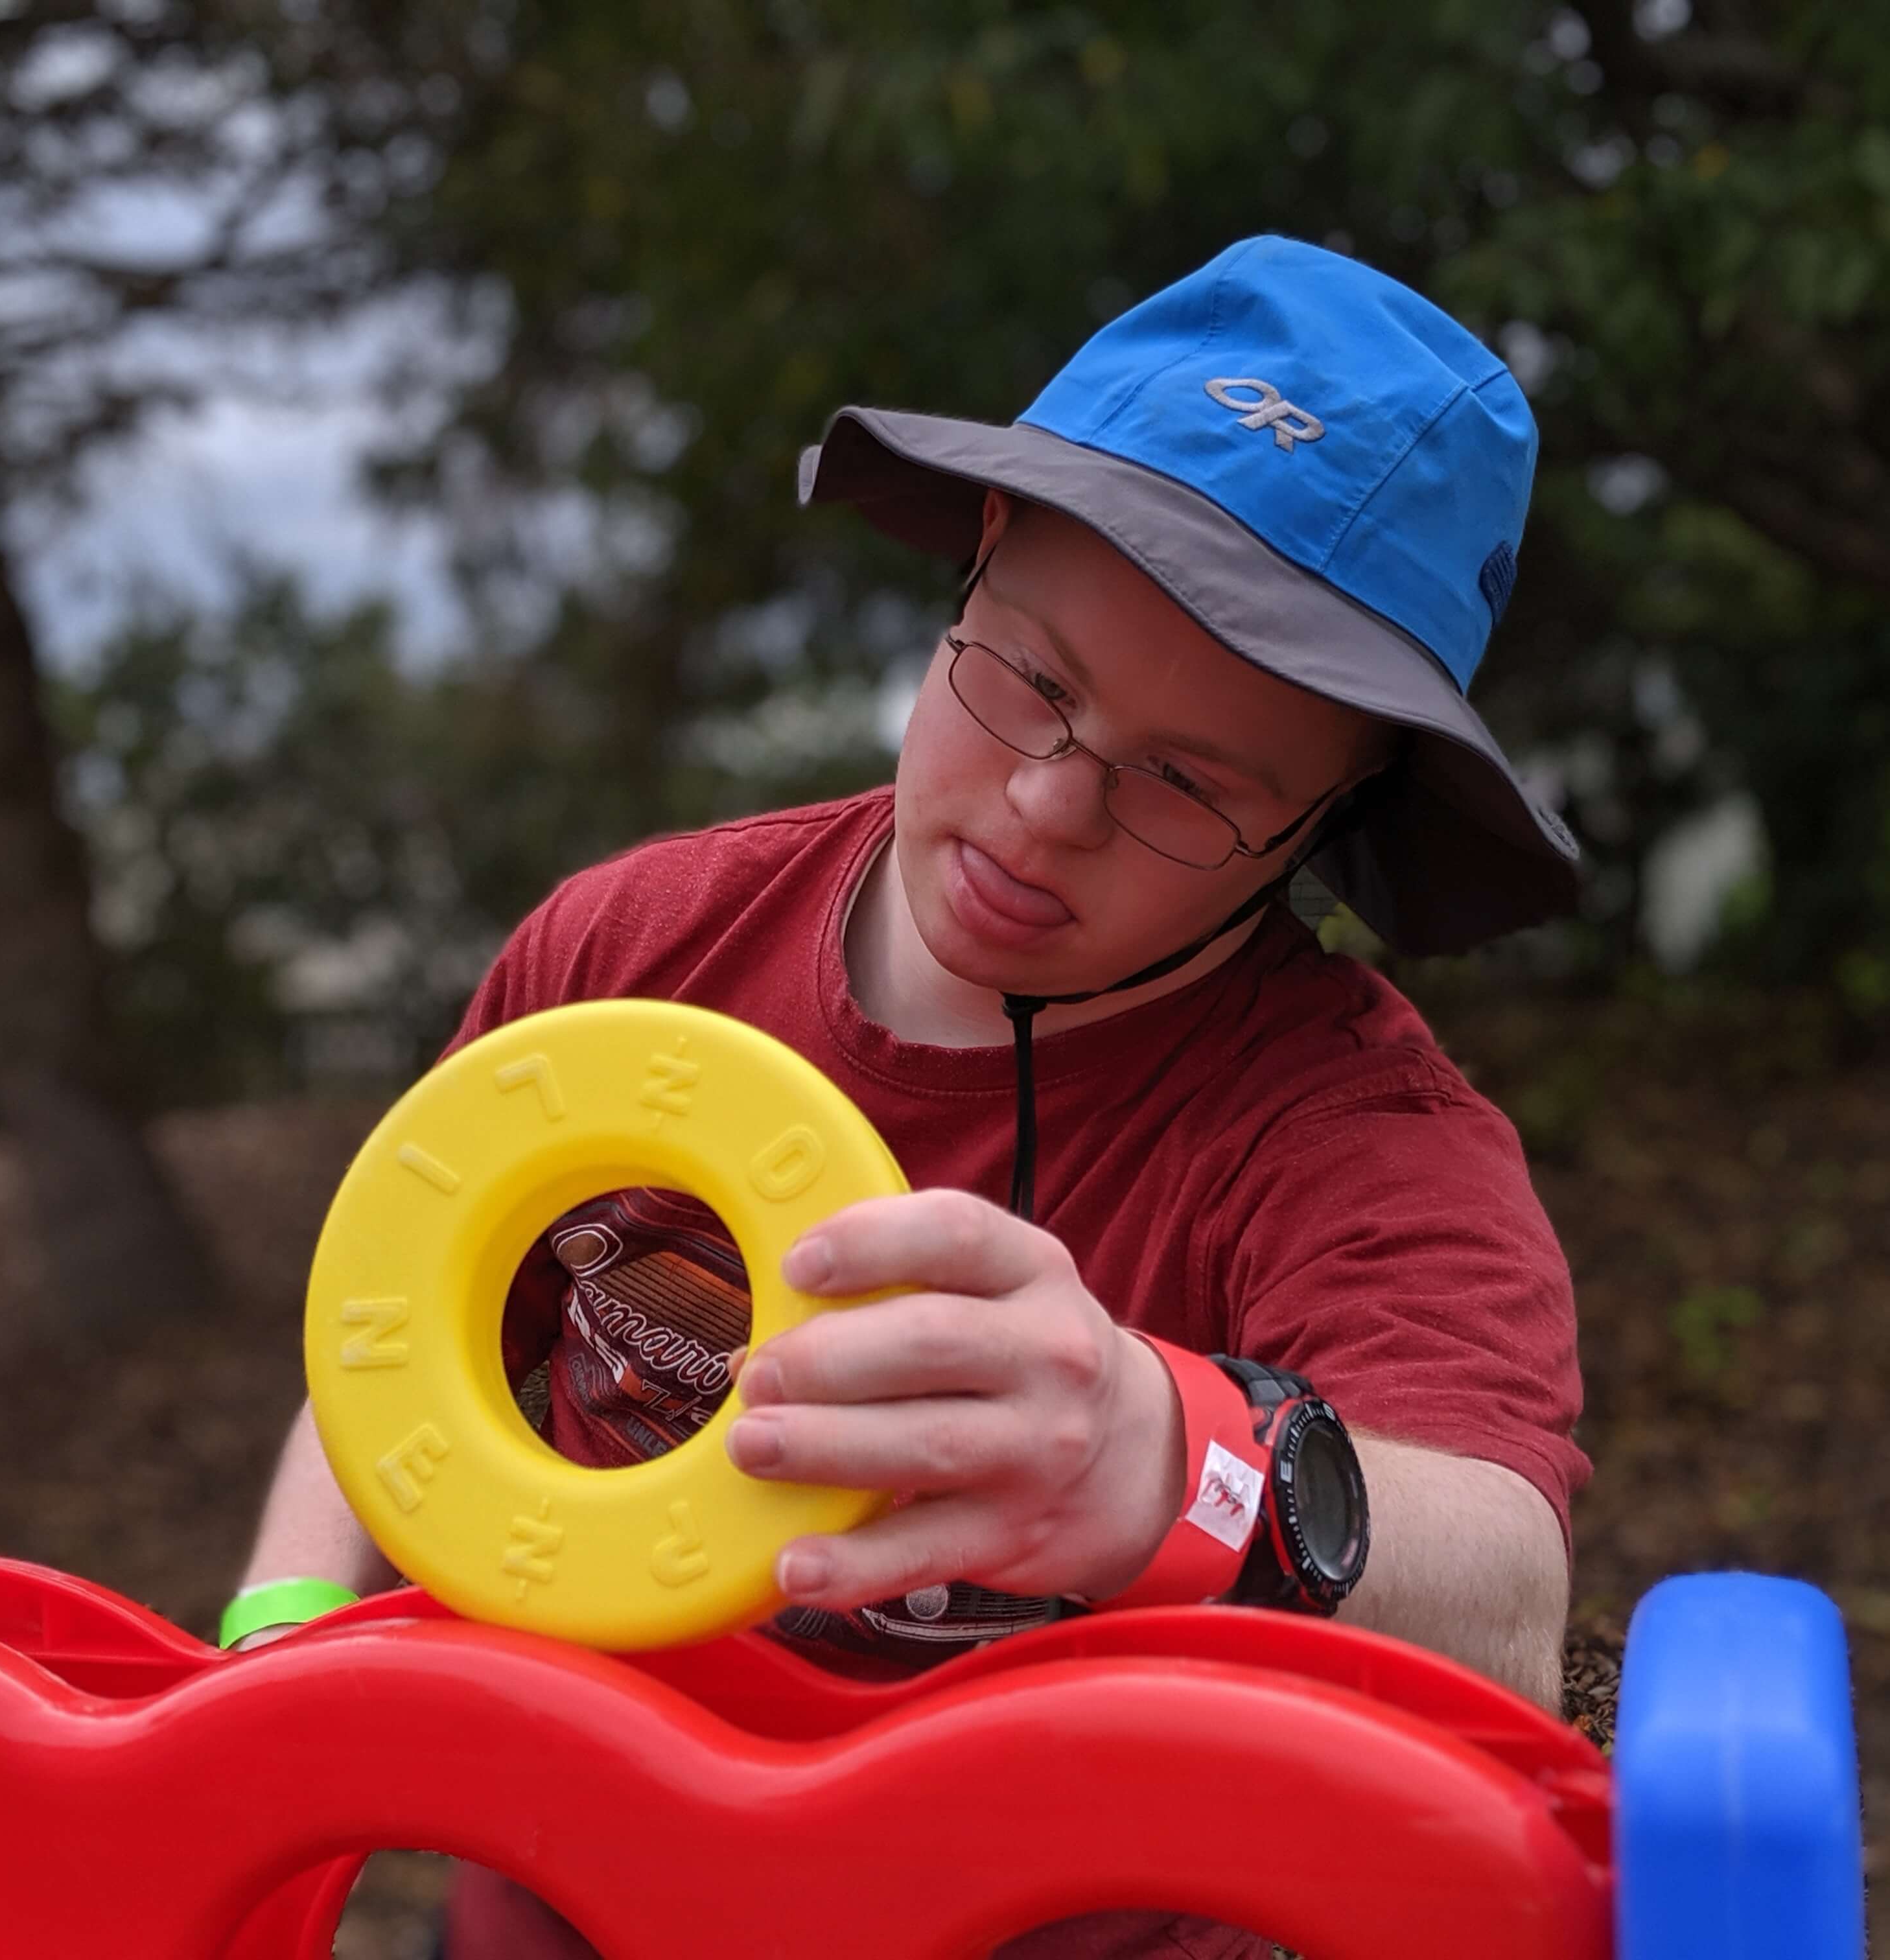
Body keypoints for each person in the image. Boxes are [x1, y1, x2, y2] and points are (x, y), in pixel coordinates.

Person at [225, 237, 1587, 1960]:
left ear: (1329, 824)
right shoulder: (634, 945)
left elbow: (1512, 1610)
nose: (1038, 813)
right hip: (554, 1912)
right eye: (1025, 679)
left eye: (1186, 784)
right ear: (978, 562)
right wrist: (273, 1652)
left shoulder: (1355, 1143)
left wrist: (1178, 1461)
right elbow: (389, 1338)